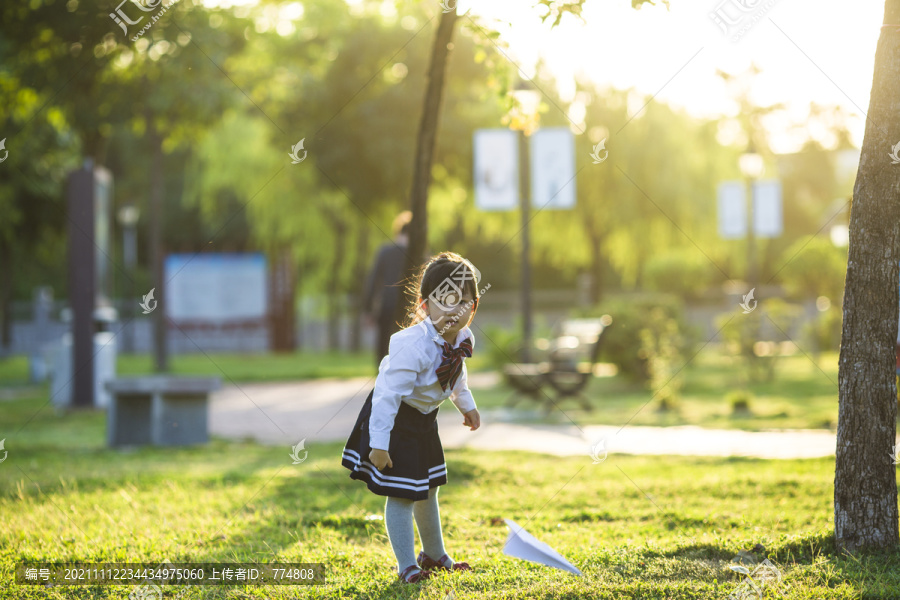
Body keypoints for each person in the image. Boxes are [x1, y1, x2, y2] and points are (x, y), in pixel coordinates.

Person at [341, 252, 483, 584]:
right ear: (424, 305)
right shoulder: (412, 346)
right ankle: (407, 565)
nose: (454, 309)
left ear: (473, 308)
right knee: (402, 492)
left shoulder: (462, 340)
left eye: (463, 301)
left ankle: (434, 554)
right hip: (394, 421)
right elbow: (386, 397)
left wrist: (467, 405)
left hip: (423, 421)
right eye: (445, 300)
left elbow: (456, 377)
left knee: (429, 488)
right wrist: (379, 445)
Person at [363, 211, 413, 370]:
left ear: (398, 230)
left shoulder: (385, 252)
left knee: (384, 346)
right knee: (408, 347)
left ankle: (381, 381)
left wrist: (368, 310)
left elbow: (373, 281)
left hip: (386, 306)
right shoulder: (419, 254)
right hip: (410, 308)